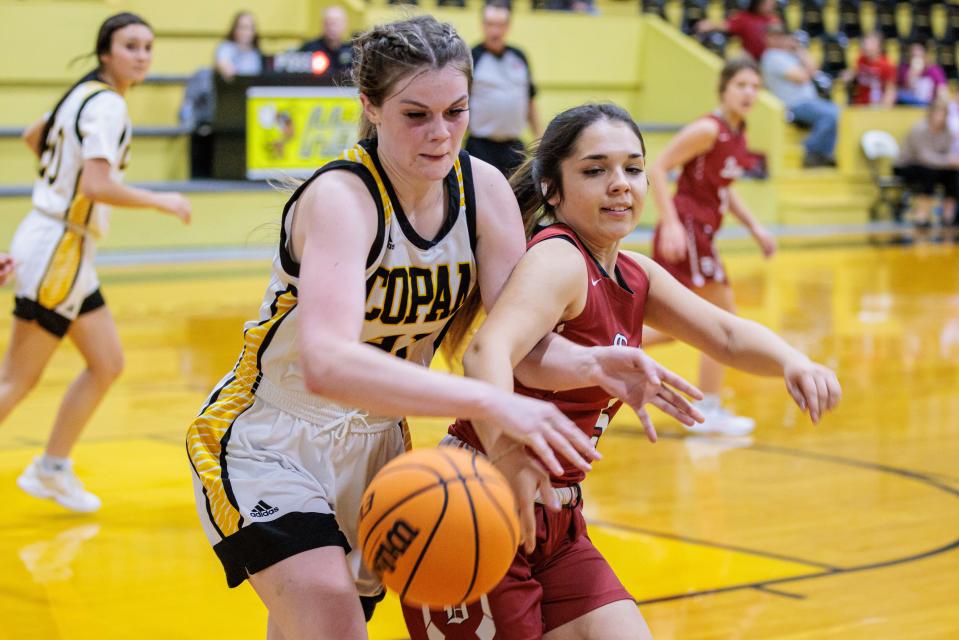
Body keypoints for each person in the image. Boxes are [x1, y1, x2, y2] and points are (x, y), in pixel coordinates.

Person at [185, 16, 699, 640]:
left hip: (378, 448)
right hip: (270, 436)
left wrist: (591, 365)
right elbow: (327, 364)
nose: (441, 134)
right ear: (370, 107)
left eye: (456, 111)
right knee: (329, 620)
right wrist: (489, 403)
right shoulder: (342, 199)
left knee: (306, 622)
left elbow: (523, 348)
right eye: (416, 115)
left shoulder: (482, 190)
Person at [402, 102, 841, 640]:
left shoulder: (634, 273)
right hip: (477, 501)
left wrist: (793, 360)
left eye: (633, 168)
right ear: (552, 191)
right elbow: (485, 352)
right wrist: (510, 454)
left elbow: (724, 333)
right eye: (595, 170)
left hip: (559, 519)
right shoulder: (559, 259)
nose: (620, 184)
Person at [5, 12, 191, 513]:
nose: (143, 55)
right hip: (59, 249)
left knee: (107, 363)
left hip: (61, 245)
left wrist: (54, 183)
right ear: (106, 52)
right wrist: (163, 200)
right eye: (131, 46)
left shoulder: (81, 94)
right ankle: (51, 467)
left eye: (148, 46)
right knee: (14, 382)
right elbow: (96, 185)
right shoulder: (106, 105)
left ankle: (51, 468)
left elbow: (32, 135)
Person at [649, 58, 777, 436]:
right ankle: (709, 408)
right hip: (688, 230)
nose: (749, 93)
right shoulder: (708, 129)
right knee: (722, 324)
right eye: (741, 85)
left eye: (755, 86)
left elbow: (725, 190)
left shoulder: (738, 133)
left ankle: (603, 347)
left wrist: (756, 229)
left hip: (703, 232)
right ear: (723, 89)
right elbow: (658, 167)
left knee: (679, 327)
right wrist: (670, 223)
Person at [466, 0, 542, 177]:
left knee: (519, 199)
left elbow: (530, 100)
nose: (495, 31)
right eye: (490, 24)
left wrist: (540, 140)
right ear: (483, 25)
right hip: (480, 147)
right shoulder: (471, 57)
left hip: (513, 148)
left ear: (508, 26)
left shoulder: (519, 57)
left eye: (500, 25)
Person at [761, 23, 839, 167]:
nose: (779, 39)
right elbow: (802, 77)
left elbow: (814, 68)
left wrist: (799, 48)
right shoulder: (772, 56)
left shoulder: (788, 55)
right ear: (767, 38)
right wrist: (801, 58)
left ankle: (820, 153)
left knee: (838, 113)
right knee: (833, 115)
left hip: (809, 102)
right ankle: (809, 150)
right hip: (794, 104)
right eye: (774, 35)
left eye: (781, 35)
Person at [894, 99, 959, 227]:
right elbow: (925, 157)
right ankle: (921, 215)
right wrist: (949, 161)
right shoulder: (919, 129)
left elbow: (947, 153)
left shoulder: (948, 131)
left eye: (944, 114)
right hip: (907, 165)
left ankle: (948, 215)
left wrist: (952, 162)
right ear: (930, 114)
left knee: (953, 174)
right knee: (927, 173)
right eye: (938, 114)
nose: (940, 118)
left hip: (935, 166)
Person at [695, 0, 781, 62]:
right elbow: (726, 25)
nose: (770, 5)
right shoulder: (745, 18)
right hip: (751, 60)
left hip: (771, 59)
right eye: (767, 3)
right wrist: (710, 24)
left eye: (772, 3)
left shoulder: (774, 19)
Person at [298, 5, 353, 84]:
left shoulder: (352, 51)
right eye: (329, 23)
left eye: (336, 23)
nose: (332, 27)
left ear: (345, 25)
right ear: (322, 25)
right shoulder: (309, 49)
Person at [844, 32, 896, 108]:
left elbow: (890, 90)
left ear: (878, 46)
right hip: (860, 105)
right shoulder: (861, 59)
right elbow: (854, 72)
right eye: (865, 42)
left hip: (877, 106)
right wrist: (848, 75)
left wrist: (884, 107)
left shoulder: (886, 65)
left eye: (869, 43)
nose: (865, 45)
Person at [896, 40, 948, 107]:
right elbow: (904, 89)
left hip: (928, 103)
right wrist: (913, 73)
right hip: (909, 103)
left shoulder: (934, 70)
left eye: (919, 55)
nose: (916, 58)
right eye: (913, 56)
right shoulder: (904, 69)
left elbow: (942, 89)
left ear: (925, 55)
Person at [215, 11, 263, 80]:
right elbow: (223, 64)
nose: (245, 32)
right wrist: (225, 68)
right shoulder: (227, 47)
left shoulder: (255, 52)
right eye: (242, 27)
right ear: (234, 29)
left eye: (249, 28)